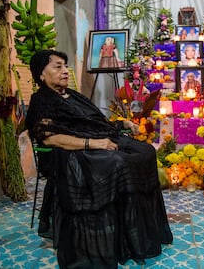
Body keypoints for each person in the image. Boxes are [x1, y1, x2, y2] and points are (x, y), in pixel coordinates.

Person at [26, 50, 173, 269]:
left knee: (145, 152)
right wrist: (94, 144)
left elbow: (96, 122)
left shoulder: (74, 96)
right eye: (58, 67)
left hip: (98, 140)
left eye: (65, 66)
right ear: (41, 74)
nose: (65, 71)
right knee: (117, 162)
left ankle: (131, 233)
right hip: (72, 151)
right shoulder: (42, 101)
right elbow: (49, 138)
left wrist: (123, 124)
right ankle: (112, 237)